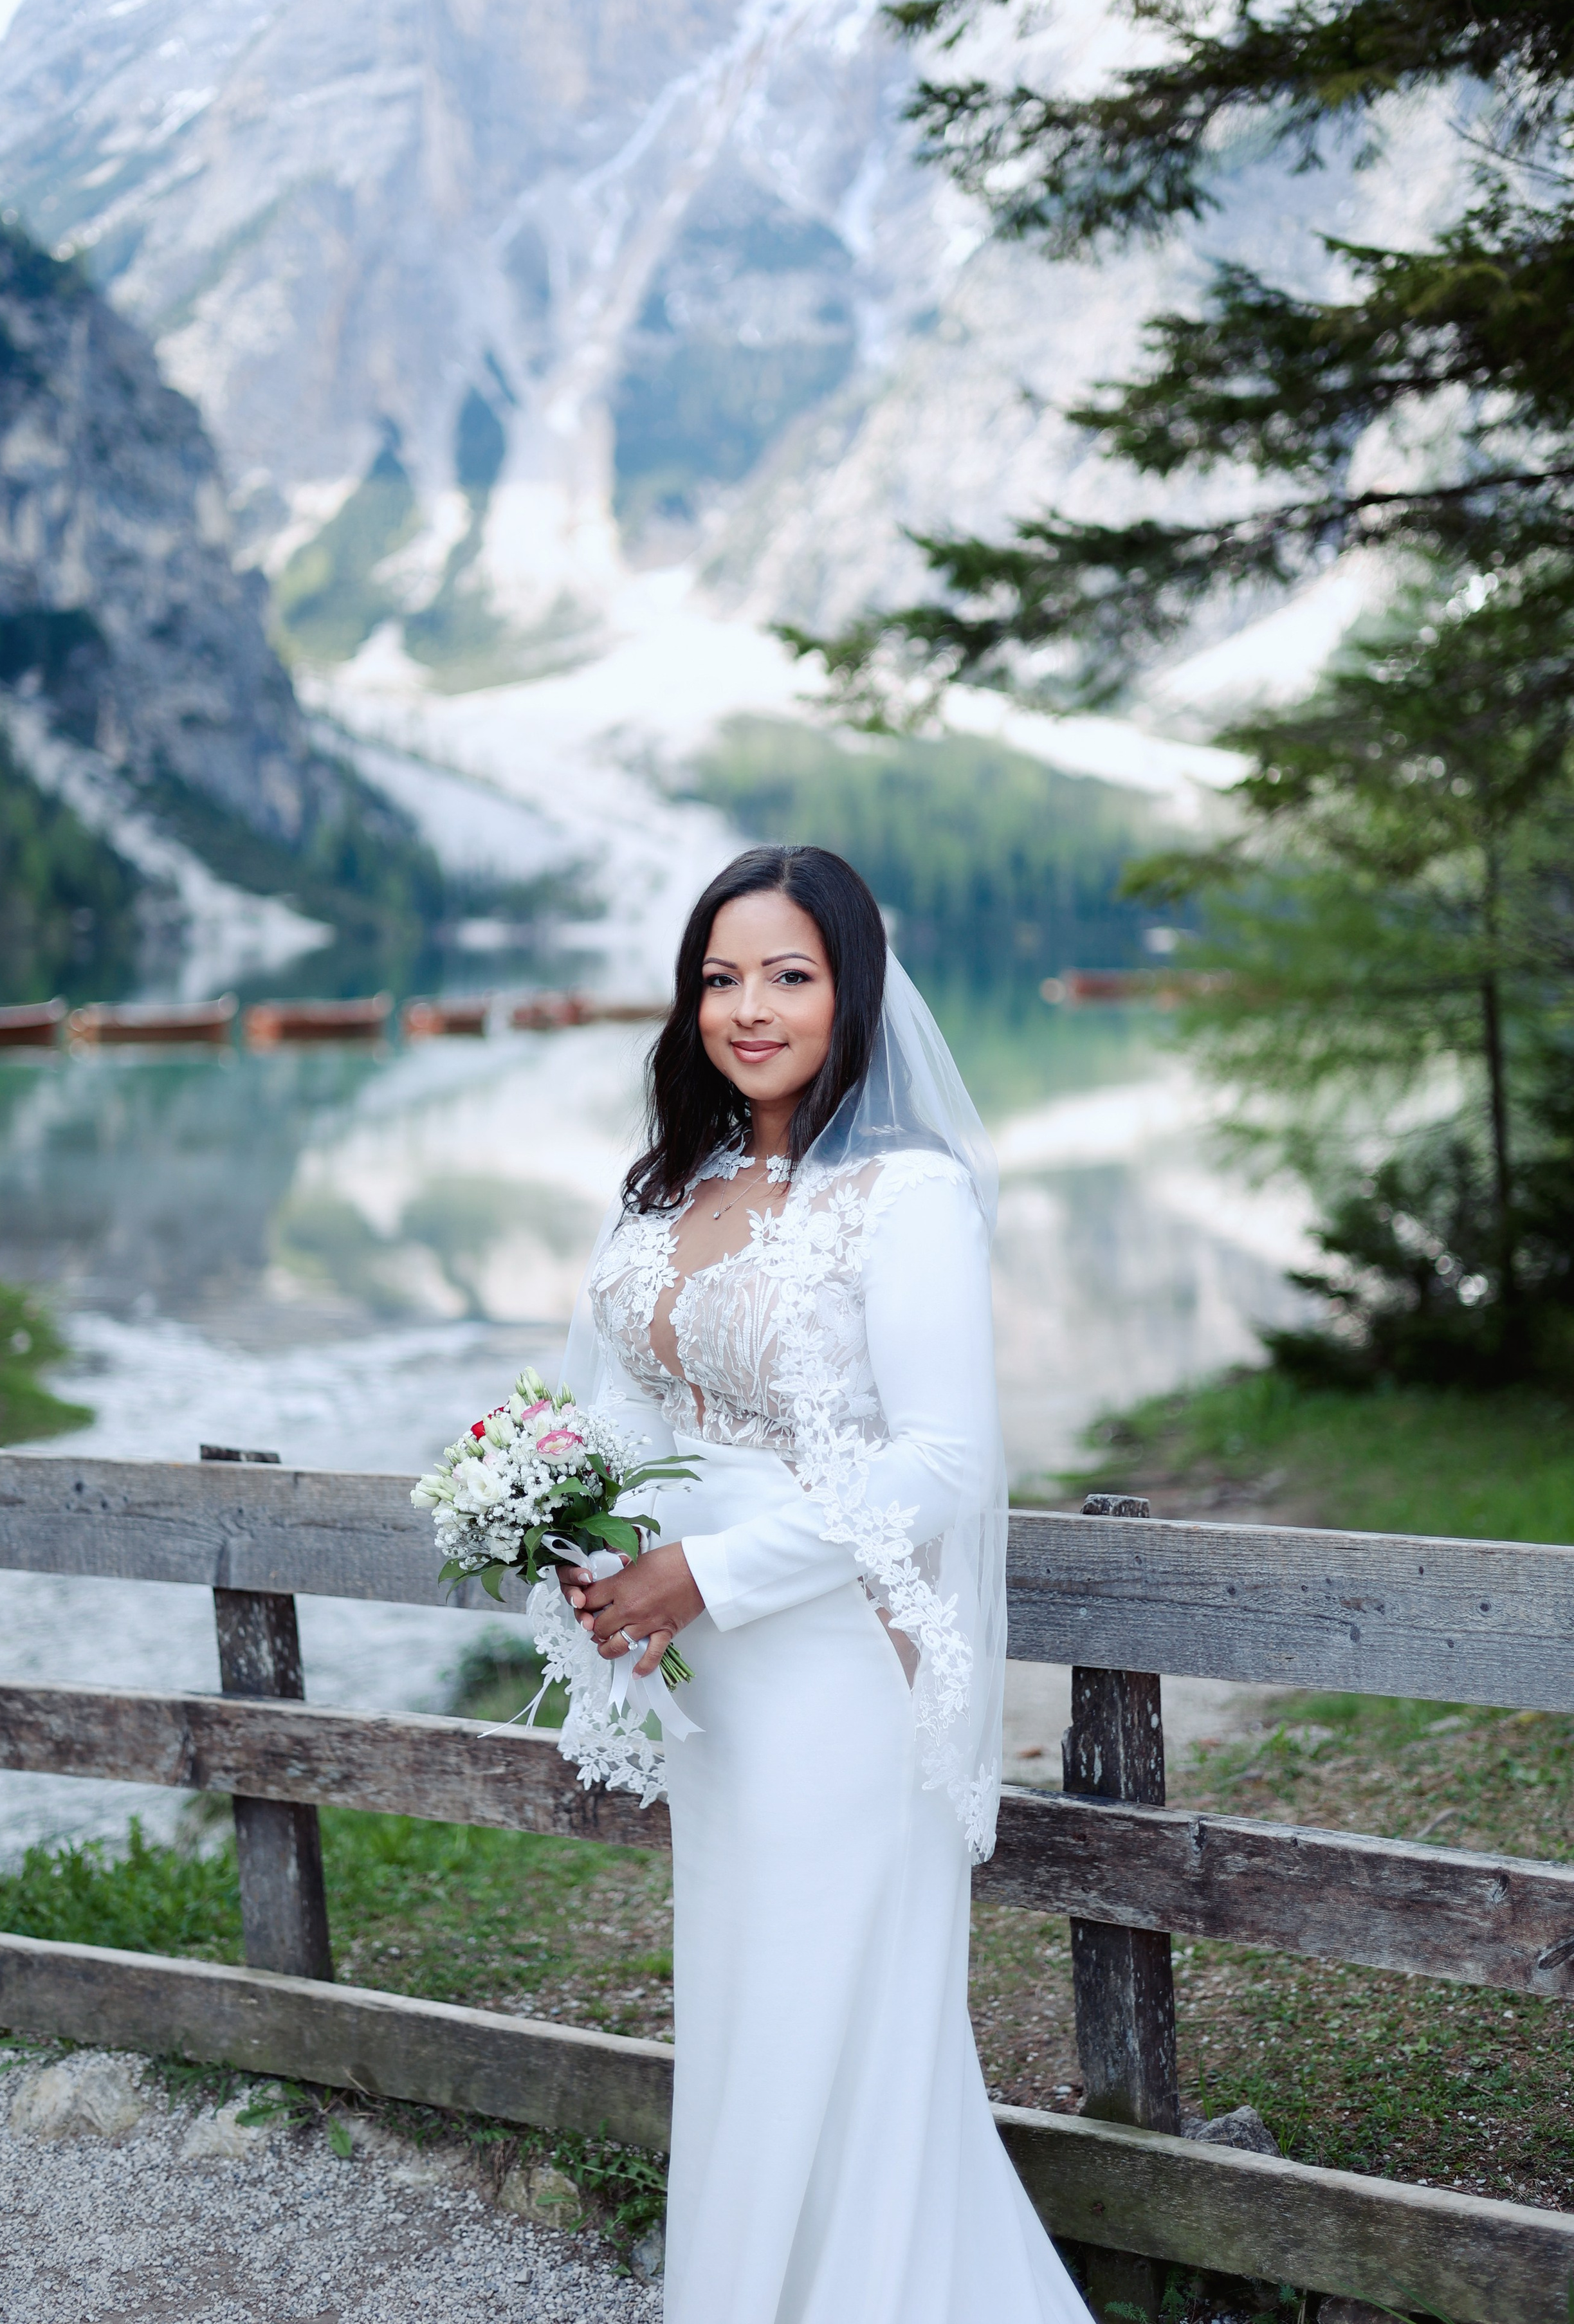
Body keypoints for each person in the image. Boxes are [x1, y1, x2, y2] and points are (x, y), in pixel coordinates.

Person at [531, 845, 1090, 2324]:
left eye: (788, 974)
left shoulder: (903, 1197)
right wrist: (573, 1523)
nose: (748, 1009)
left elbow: (943, 1464)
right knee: (747, 2008)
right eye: (720, 978)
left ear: (853, 988)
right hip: (714, 1680)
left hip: (834, 1664)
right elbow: (637, 1407)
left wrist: (704, 1572)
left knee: (822, 2005)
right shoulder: (676, 1184)